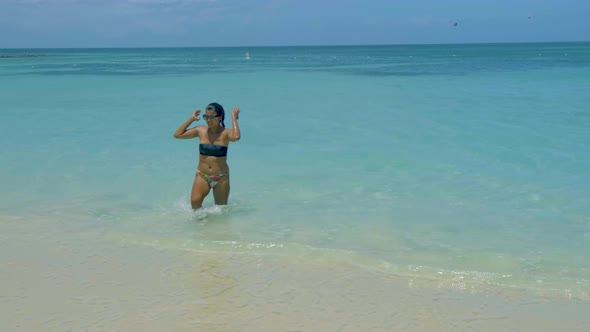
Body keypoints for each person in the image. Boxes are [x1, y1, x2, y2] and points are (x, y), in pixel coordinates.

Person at [173, 102, 241, 210]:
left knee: (221, 210)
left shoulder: (226, 133)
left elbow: (236, 137)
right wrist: (191, 119)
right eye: (206, 117)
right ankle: (201, 225)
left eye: (212, 117)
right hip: (202, 176)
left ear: (220, 117)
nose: (208, 120)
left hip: (221, 177)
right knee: (195, 203)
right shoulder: (200, 131)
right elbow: (177, 135)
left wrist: (234, 118)